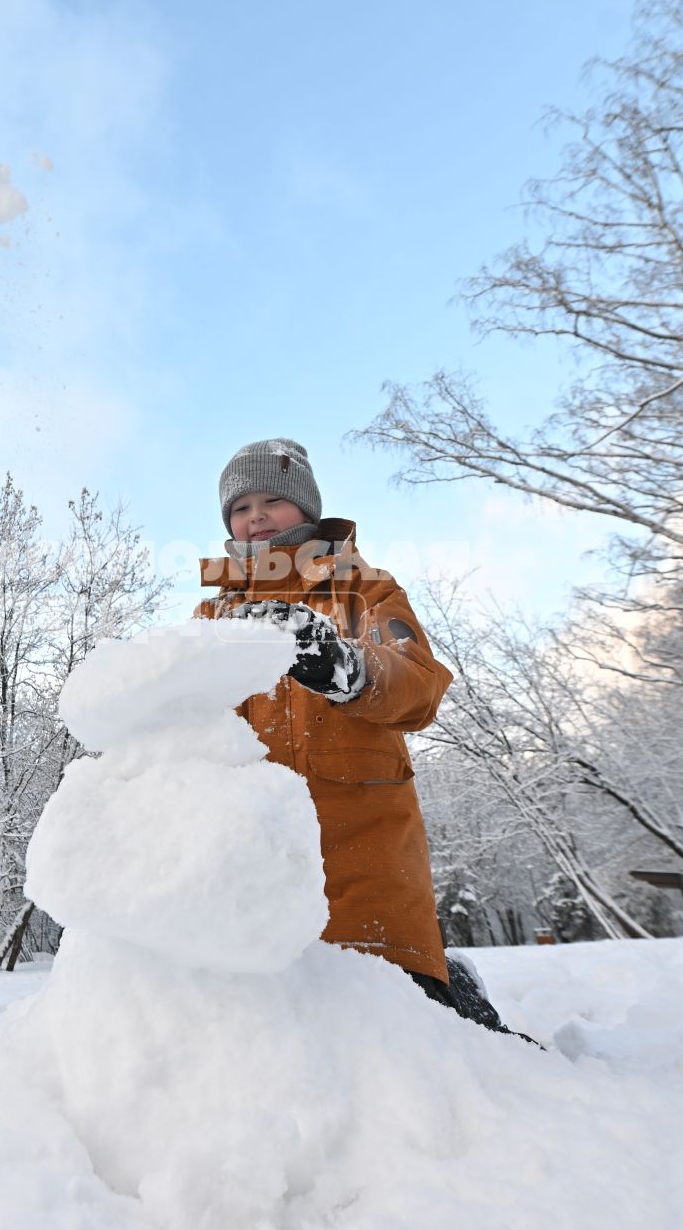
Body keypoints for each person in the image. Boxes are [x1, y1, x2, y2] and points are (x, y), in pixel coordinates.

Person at [194, 438, 527, 1039]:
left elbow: (420, 682)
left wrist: (347, 667)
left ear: (310, 511)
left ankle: (459, 1001)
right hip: (257, 868)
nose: (257, 516)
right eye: (241, 507)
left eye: (274, 500)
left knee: (416, 1037)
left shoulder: (361, 589)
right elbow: (180, 713)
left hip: (366, 857)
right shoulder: (214, 617)